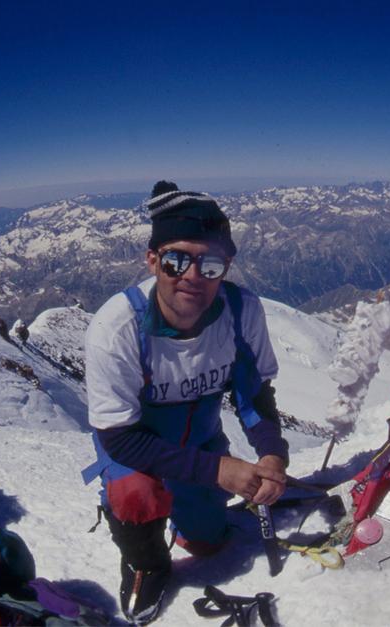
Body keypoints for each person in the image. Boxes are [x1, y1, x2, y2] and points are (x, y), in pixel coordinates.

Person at [83, 181, 289, 625]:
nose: (193, 276)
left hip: (199, 444)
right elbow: (119, 439)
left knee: (209, 544)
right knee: (135, 493)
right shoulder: (118, 327)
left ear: (226, 266)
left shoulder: (241, 311)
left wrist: (272, 454)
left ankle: (188, 512)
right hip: (136, 455)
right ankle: (146, 562)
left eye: (210, 264)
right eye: (177, 260)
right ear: (153, 260)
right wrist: (220, 470)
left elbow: (254, 395)